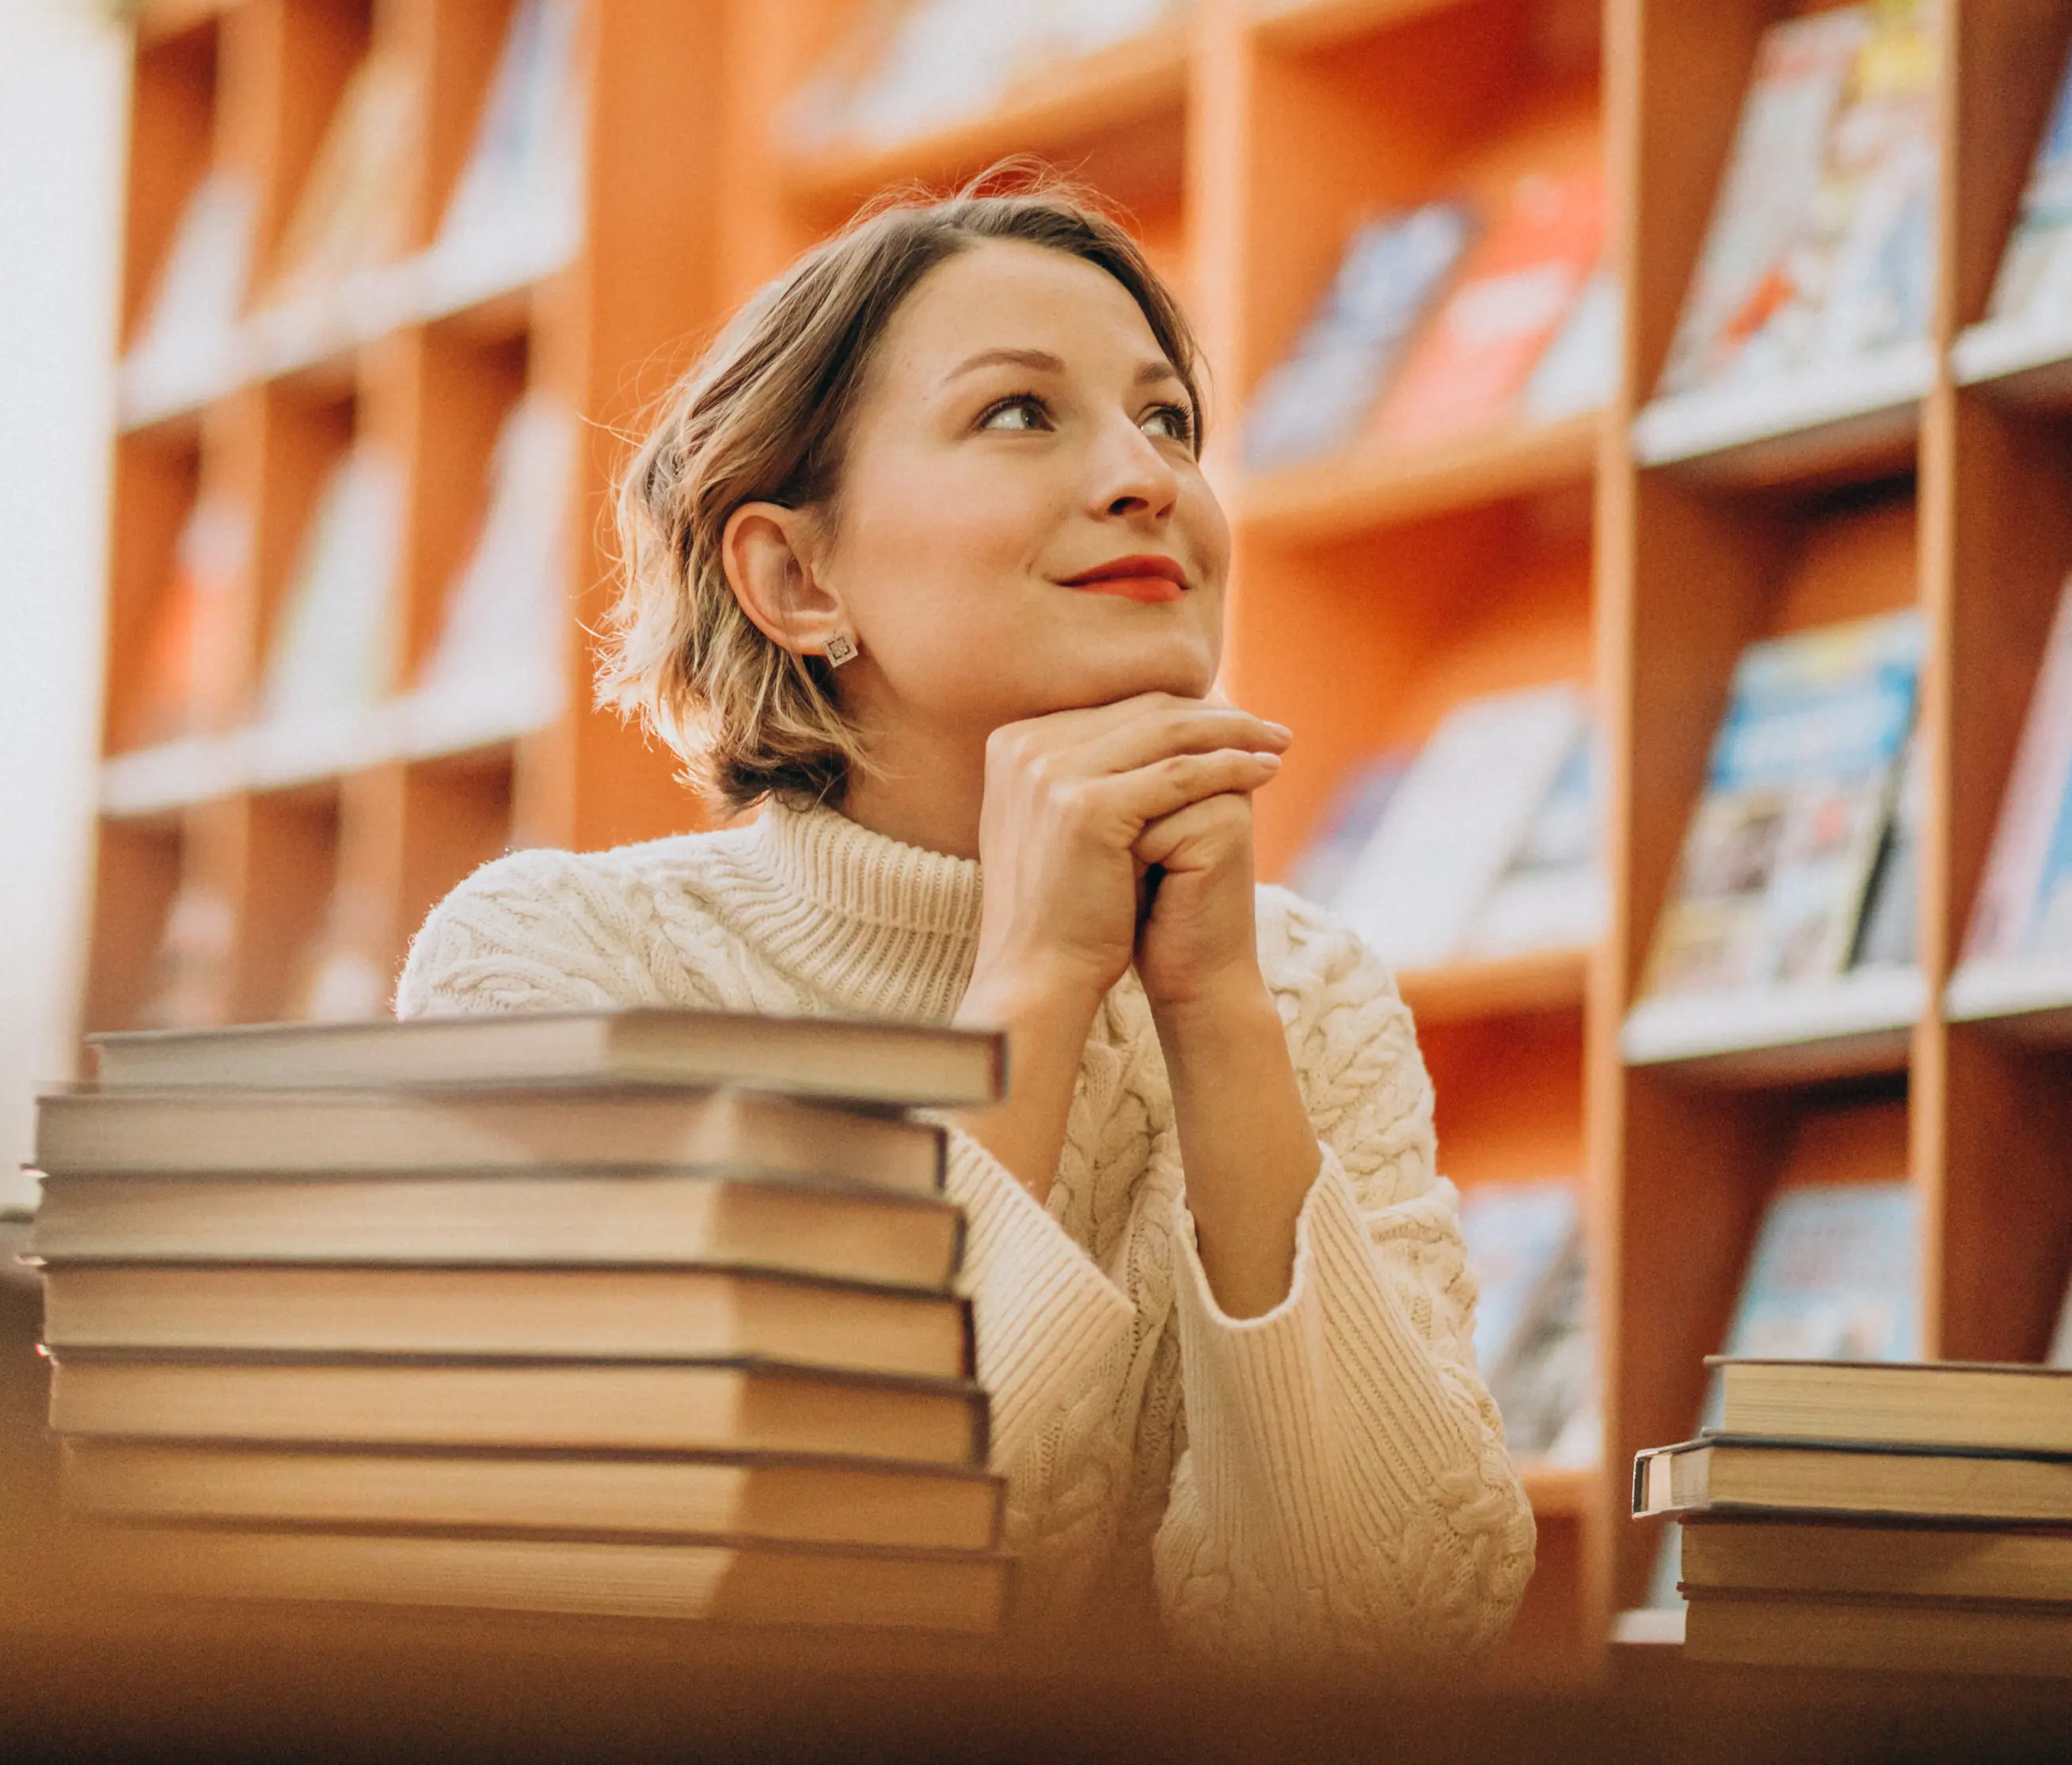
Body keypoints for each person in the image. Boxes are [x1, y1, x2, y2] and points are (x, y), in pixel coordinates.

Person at [397, 180, 1535, 1660]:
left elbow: (1389, 1646)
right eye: (1019, 414)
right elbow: (737, 1602)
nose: (1147, 479)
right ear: (797, 577)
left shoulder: (1305, 994)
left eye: (1170, 420)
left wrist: (1220, 1021)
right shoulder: (555, 969)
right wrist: (1035, 988)